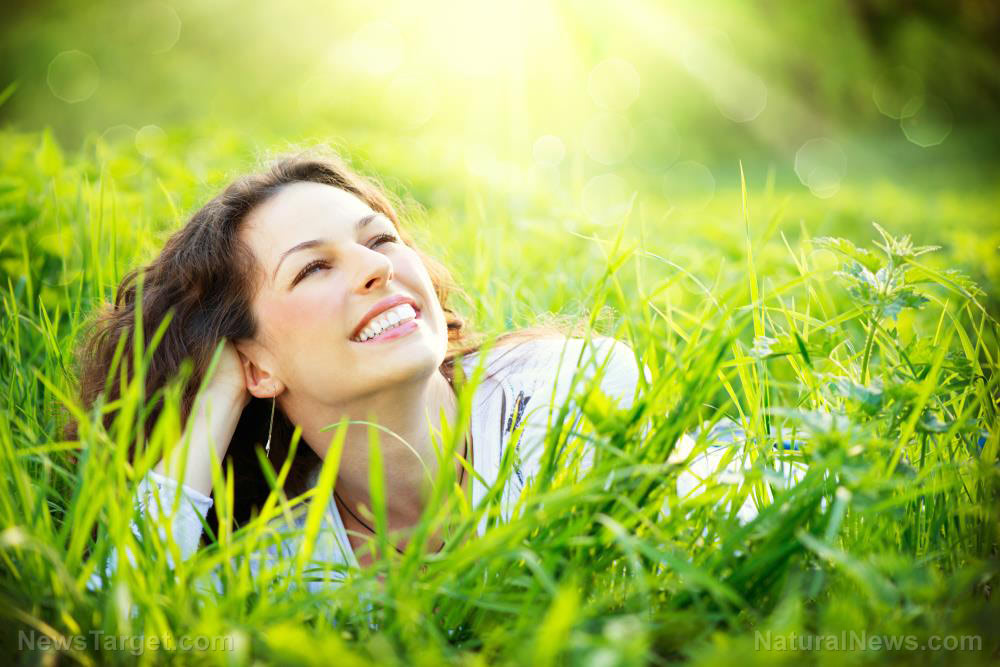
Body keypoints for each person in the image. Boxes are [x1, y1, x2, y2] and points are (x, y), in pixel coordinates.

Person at [69, 147, 650, 590]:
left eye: (381, 239)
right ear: (255, 366)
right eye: (314, 268)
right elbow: (119, 622)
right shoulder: (278, 555)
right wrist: (213, 411)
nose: (376, 267)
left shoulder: (567, 385)